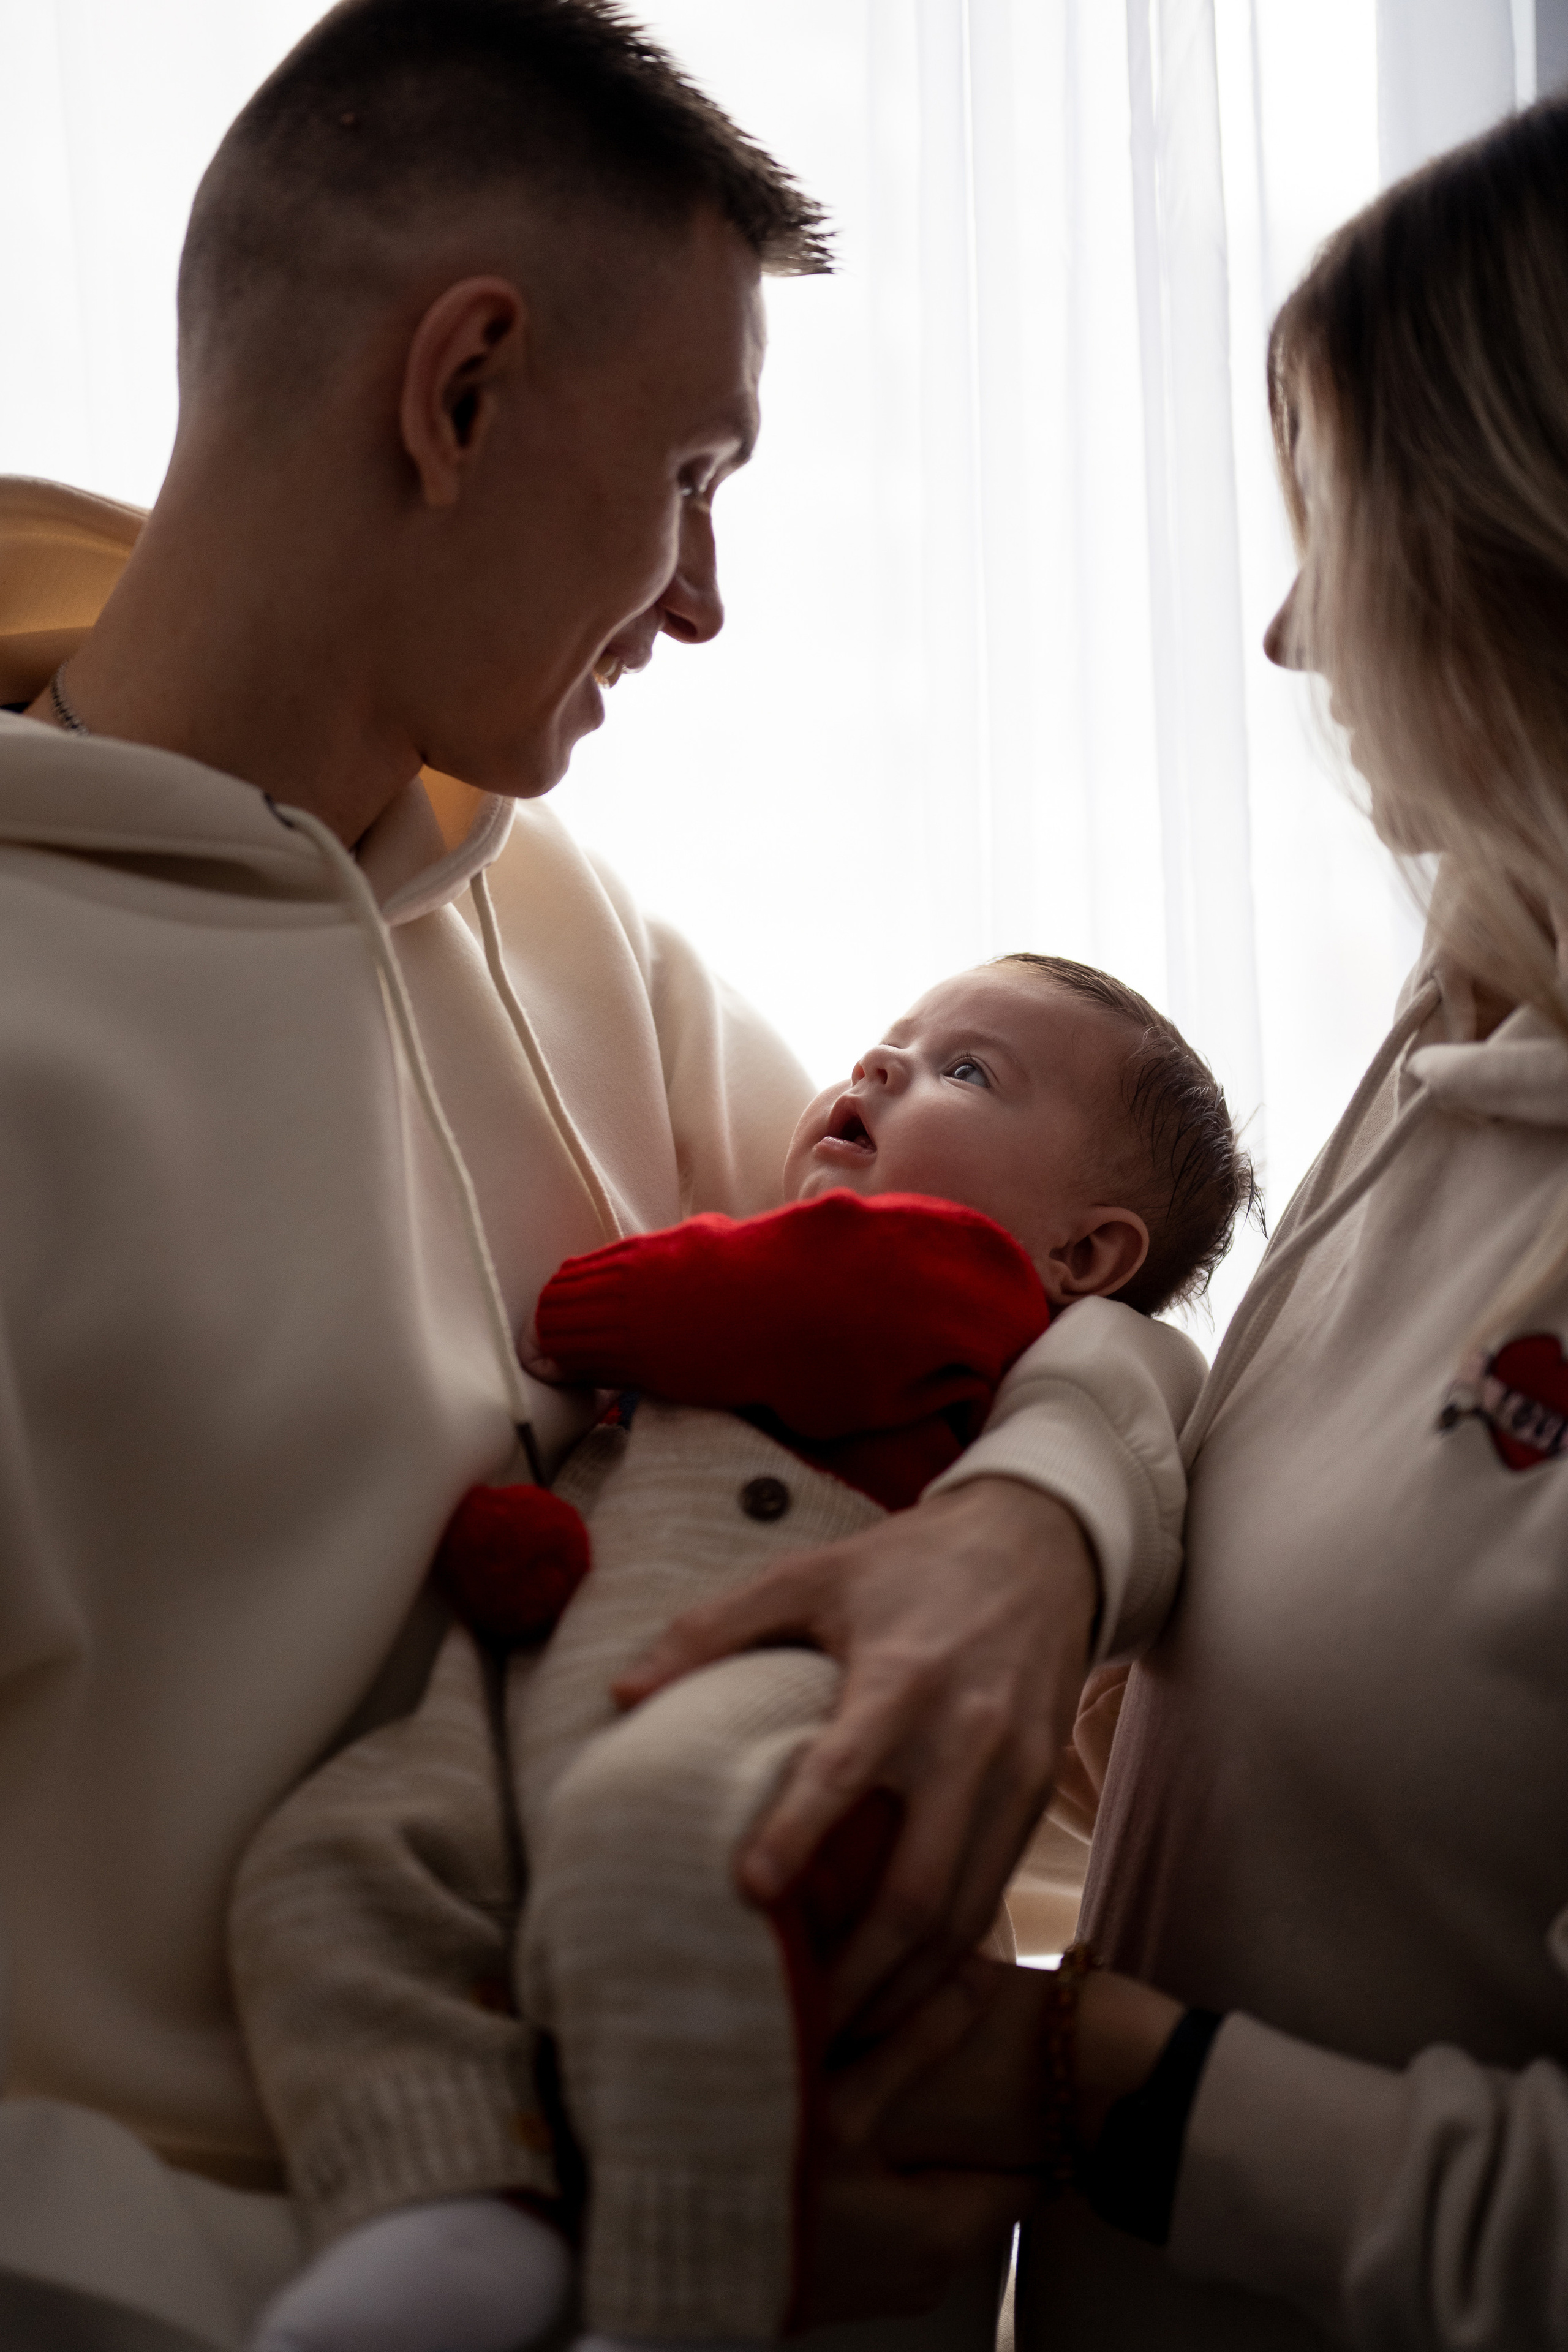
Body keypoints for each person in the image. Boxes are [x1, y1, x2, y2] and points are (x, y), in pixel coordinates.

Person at [0, 4, 1198, 2344]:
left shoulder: (583, 936)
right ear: (460, 392)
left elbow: (1058, 1314)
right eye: (691, 473)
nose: (708, 597)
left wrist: (1038, 1530)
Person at [812, 86, 1568, 2352]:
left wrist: (1090, 2082)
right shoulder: (1475, 1005)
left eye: (1331, 528)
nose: (1283, 640)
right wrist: (1054, 1528)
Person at [230, 953, 1244, 2352]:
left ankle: (674, 2296)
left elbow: (745, 1301)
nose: (881, 1068)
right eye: (887, 1041)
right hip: (565, 1698)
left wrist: (585, 1308)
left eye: (964, 1072)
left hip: (787, 1699)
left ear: (1081, 1256)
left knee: (674, 1853)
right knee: (341, 1856)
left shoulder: (942, 1283)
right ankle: (450, 2201)